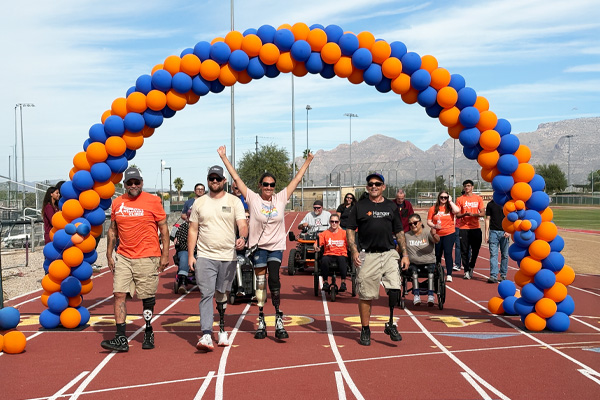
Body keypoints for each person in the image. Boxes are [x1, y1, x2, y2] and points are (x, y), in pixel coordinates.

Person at [218, 145, 313, 340]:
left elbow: (296, 179)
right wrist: (224, 157)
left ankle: (278, 317)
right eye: (266, 184)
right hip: (258, 248)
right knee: (260, 285)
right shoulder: (252, 198)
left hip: (276, 248)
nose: (269, 187)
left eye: (272, 185)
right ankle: (261, 319)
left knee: (274, 280)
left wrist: (308, 162)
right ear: (260, 186)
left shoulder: (280, 198)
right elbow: (236, 178)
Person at [101, 167, 169, 352]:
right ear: (124, 185)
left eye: (136, 182)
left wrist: (165, 254)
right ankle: (120, 337)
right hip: (123, 256)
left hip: (148, 256)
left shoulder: (153, 201)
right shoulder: (117, 203)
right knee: (119, 294)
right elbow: (112, 230)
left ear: (141, 183)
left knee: (146, 296)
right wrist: (109, 254)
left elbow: (163, 229)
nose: (133, 185)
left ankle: (148, 330)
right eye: (129, 183)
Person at [187, 165, 247, 351]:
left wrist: (242, 238)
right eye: (211, 179)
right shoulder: (199, 203)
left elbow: (242, 224)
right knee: (206, 294)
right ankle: (206, 334)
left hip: (228, 256)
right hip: (205, 255)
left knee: (222, 294)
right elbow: (193, 230)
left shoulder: (234, 201)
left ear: (224, 181)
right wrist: (191, 255)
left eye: (217, 179)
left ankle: (221, 328)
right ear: (208, 181)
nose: (214, 182)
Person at [346, 172, 409, 346]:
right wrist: (354, 250)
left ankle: (389, 324)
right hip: (368, 254)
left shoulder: (391, 206)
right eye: (371, 184)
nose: (374, 186)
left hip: (389, 253)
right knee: (366, 295)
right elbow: (350, 229)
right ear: (367, 187)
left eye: (377, 184)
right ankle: (365, 329)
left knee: (395, 288)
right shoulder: (359, 206)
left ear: (383, 187)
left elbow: (399, 231)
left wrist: (404, 254)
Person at [406, 213, 440, 306]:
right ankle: (416, 295)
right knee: (413, 270)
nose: (413, 225)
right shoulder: (407, 236)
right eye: (410, 224)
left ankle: (430, 295)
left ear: (420, 223)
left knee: (431, 271)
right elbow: (400, 248)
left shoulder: (427, 233)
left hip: (428, 261)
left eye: (415, 223)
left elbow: (436, 240)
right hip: (414, 263)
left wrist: (434, 235)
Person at [427, 190, 460, 282]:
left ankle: (449, 274)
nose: (443, 199)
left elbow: (457, 211)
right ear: (439, 198)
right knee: (437, 254)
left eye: (445, 197)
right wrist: (434, 226)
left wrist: (450, 201)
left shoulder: (450, 208)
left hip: (449, 233)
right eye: (442, 197)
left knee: (448, 253)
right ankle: (437, 272)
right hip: (437, 234)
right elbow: (429, 221)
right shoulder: (433, 209)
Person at [456, 180, 484, 280]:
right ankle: (466, 271)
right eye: (465, 186)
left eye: (468, 186)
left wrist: (474, 215)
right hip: (464, 228)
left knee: (475, 250)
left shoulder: (478, 198)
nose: (467, 188)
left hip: (475, 228)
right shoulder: (460, 199)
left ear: (472, 187)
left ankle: (471, 266)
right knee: (464, 250)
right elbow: (457, 214)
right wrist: (465, 214)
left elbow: (482, 213)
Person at [314, 214, 348, 292]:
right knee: (324, 260)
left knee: (342, 260)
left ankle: (343, 282)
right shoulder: (325, 233)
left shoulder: (344, 233)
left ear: (339, 222)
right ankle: (325, 282)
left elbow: (350, 243)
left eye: (336, 221)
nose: (334, 223)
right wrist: (316, 247)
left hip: (341, 254)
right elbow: (316, 244)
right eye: (332, 221)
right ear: (329, 222)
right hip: (328, 254)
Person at [485, 199, 510, 283]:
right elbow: (487, 219)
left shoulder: (507, 204)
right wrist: (486, 234)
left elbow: (510, 218)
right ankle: (493, 275)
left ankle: (503, 275)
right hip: (493, 232)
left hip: (504, 232)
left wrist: (508, 231)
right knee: (493, 254)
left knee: (505, 255)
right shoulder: (490, 204)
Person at [174, 209, 193, 294]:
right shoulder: (183, 227)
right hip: (185, 249)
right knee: (185, 257)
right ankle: (183, 282)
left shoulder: (202, 227)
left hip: (198, 251)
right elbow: (181, 240)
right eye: (190, 216)